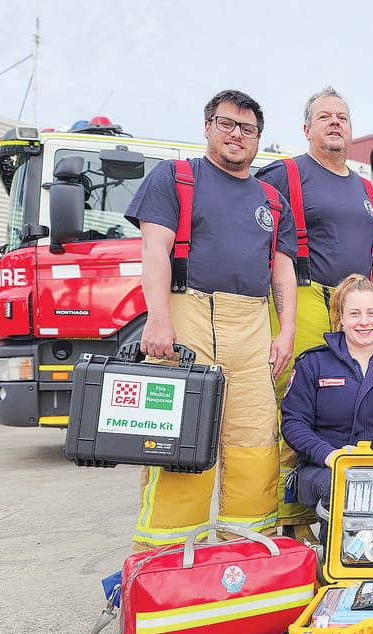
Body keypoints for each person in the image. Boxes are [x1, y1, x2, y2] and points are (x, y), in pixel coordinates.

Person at [125, 89, 297, 549]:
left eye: (248, 129)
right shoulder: (176, 177)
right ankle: (161, 561)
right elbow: (154, 249)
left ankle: (249, 556)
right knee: (180, 440)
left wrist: (288, 332)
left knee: (255, 442)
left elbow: (282, 266)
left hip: (252, 324)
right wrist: (158, 320)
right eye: (227, 124)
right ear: (207, 127)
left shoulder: (272, 198)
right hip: (187, 317)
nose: (237, 135)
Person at [257, 86, 373, 540]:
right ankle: (285, 522)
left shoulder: (365, 187)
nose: (335, 123)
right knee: (295, 403)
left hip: (354, 306)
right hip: (306, 296)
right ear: (306, 128)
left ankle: (331, 507)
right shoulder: (284, 174)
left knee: (344, 405)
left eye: (343, 117)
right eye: (325, 116)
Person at [280, 274, 373, 536]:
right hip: (325, 469)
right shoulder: (312, 364)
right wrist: (329, 455)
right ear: (341, 317)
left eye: (371, 313)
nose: (364, 322)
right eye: (355, 314)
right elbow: (293, 423)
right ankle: (340, 559)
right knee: (345, 487)